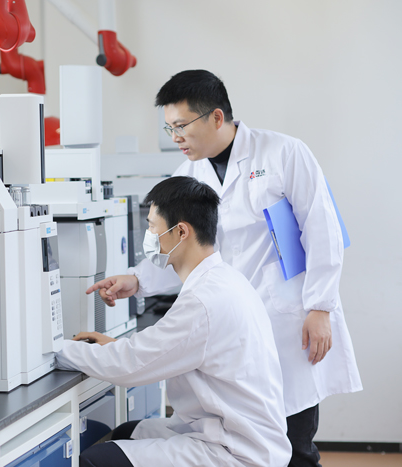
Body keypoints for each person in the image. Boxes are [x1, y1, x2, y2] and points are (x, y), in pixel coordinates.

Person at [89, 70, 362, 467]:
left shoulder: (283, 153)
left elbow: (323, 231)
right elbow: (184, 246)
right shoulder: (188, 175)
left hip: (286, 320)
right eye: (169, 128)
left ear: (216, 117)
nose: (175, 137)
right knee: (236, 437)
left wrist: (320, 307)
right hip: (230, 327)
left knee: (295, 445)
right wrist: (137, 279)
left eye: (181, 126)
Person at [56, 176, 292, 467]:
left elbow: (130, 365)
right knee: (126, 433)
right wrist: (114, 345)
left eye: (152, 226)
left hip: (236, 450)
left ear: (180, 231)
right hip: (232, 429)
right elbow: (170, 348)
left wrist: (57, 351)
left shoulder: (204, 300)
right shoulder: (225, 279)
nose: (149, 235)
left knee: (96, 461)